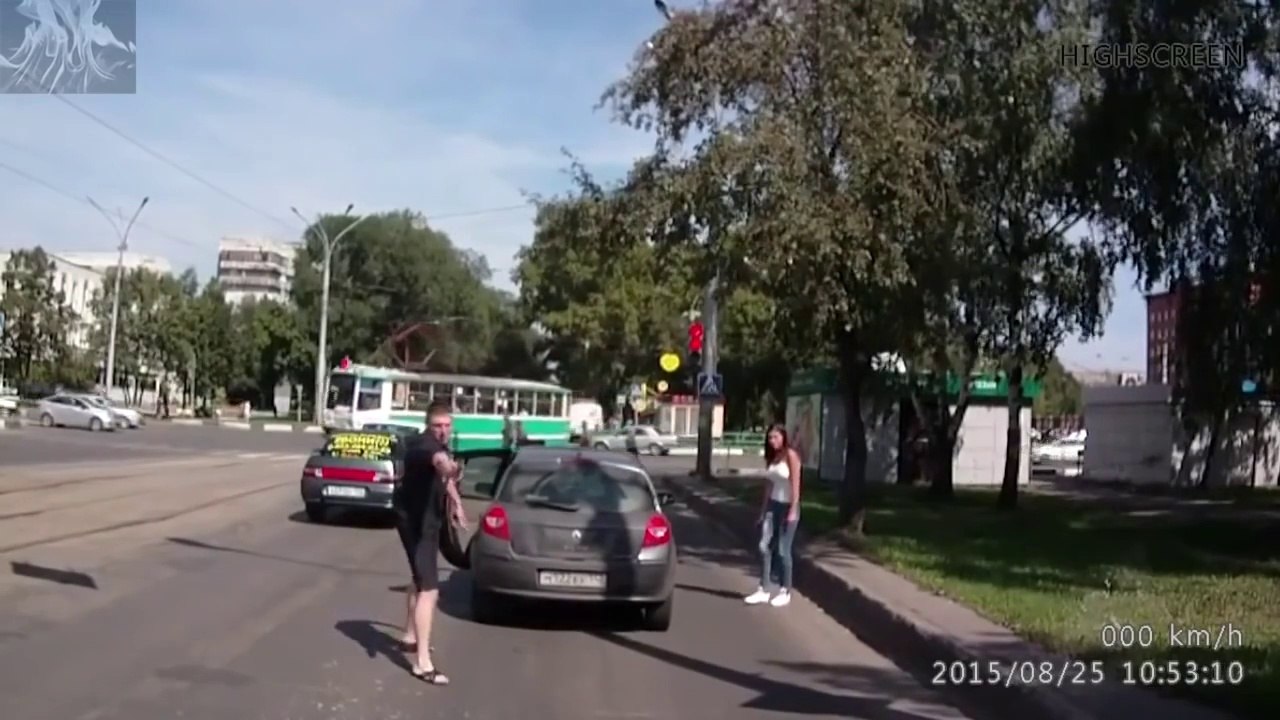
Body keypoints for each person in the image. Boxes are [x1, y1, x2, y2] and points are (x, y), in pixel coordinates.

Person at [394, 401, 469, 684]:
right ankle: (422, 663)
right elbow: (439, 462)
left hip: (420, 518)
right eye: (438, 426)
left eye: (447, 425)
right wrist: (449, 467)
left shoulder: (437, 445)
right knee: (429, 588)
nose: (443, 431)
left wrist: (457, 503)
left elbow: (443, 478)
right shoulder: (424, 446)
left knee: (418, 577)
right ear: (429, 425)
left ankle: (410, 635)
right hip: (416, 524)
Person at [744, 424, 803, 607]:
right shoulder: (773, 458)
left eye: (776, 437)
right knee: (764, 546)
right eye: (770, 438)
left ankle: (785, 590)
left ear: (784, 437)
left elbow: (795, 485)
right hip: (773, 506)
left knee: (783, 549)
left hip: (787, 507)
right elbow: (768, 485)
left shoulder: (791, 456)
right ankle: (764, 589)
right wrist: (763, 511)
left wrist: (793, 510)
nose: (772, 441)